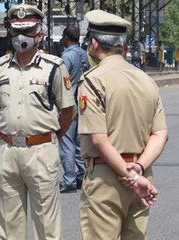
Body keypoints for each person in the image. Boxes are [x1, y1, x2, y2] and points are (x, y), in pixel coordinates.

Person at [78, 10, 168, 239]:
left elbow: (99, 139)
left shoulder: (93, 80)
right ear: (122, 45)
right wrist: (138, 171)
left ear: (94, 43)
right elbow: (160, 134)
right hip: (141, 173)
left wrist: (131, 176)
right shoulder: (146, 80)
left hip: (106, 177)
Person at [0, 4, 76, 239]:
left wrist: (50, 138)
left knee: (47, 227)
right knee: (9, 226)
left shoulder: (54, 68)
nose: (21, 37)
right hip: (7, 151)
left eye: (27, 31)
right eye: (16, 31)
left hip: (41, 151)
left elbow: (68, 112)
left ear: (40, 34)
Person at [59, 26, 90, 193]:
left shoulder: (67, 56)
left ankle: (69, 179)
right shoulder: (83, 53)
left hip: (69, 102)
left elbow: (61, 81)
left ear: (65, 38)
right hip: (82, 102)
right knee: (79, 143)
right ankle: (82, 175)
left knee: (65, 141)